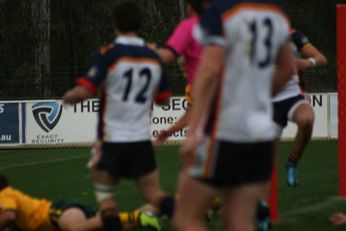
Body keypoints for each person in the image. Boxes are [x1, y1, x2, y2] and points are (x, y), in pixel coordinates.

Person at [173, 0, 294, 230]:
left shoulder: (221, 12)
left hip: (224, 131)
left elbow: (209, 70)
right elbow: (287, 68)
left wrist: (192, 132)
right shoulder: (276, 12)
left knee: (185, 218)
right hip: (260, 133)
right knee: (238, 222)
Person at [63, 1, 174, 231]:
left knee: (107, 201)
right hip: (141, 141)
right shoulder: (154, 58)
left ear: (114, 24)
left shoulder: (108, 55)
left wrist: (70, 96)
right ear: (139, 24)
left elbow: (85, 91)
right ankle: (189, 218)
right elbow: (164, 100)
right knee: (155, 194)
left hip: (112, 141)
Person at [0, 175, 161, 231]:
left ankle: (136, 216)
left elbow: (8, 216)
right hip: (63, 212)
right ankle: (153, 210)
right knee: (110, 227)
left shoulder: (4, 194)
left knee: (77, 229)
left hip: (57, 212)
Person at [273, 29, 328, 187]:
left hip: (293, 94)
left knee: (307, 119)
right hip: (267, 100)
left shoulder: (293, 35)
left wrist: (309, 62)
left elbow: (321, 58)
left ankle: (292, 160)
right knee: (263, 160)